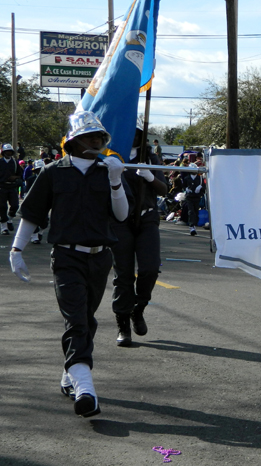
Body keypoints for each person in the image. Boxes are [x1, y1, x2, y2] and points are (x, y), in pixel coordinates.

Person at [9, 111, 130, 418]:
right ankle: (86, 388)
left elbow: (121, 215)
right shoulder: (53, 172)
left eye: (101, 138)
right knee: (76, 319)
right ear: (74, 142)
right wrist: (16, 249)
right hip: (66, 257)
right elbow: (33, 214)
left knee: (86, 320)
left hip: (101, 257)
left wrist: (116, 182)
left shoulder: (108, 171)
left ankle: (70, 376)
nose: (98, 142)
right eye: (91, 137)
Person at [110, 123, 168, 346]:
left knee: (150, 268)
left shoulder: (151, 159)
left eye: (138, 133)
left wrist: (150, 177)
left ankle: (138, 307)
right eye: (129, 132)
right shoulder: (113, 157)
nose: (133, 136)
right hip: (121, 221)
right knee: (123, 275)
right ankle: (123, 324)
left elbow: (164, 189)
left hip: (147, 218)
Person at [0, 143, 23, 234]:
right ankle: (4, 228)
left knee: (15, 205)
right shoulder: (0, 162)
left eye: (10, 151)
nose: (8, 153)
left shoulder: (14, 162)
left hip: (12, 186)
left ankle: (10, 219)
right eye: (7, 151)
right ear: (3, 152)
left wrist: (15, 177)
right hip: (1, 186)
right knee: (2, 207)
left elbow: (20, 174)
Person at [183, 163, 204, 236]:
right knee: (191, 211)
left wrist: (200, 189)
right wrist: (186, 190)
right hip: (189, 197)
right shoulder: (187, 178)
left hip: (197, 197)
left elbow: (204, 187)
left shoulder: (200, 178)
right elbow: (184, 186)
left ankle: (194, 224)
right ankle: (192, 226)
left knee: (196, 212)